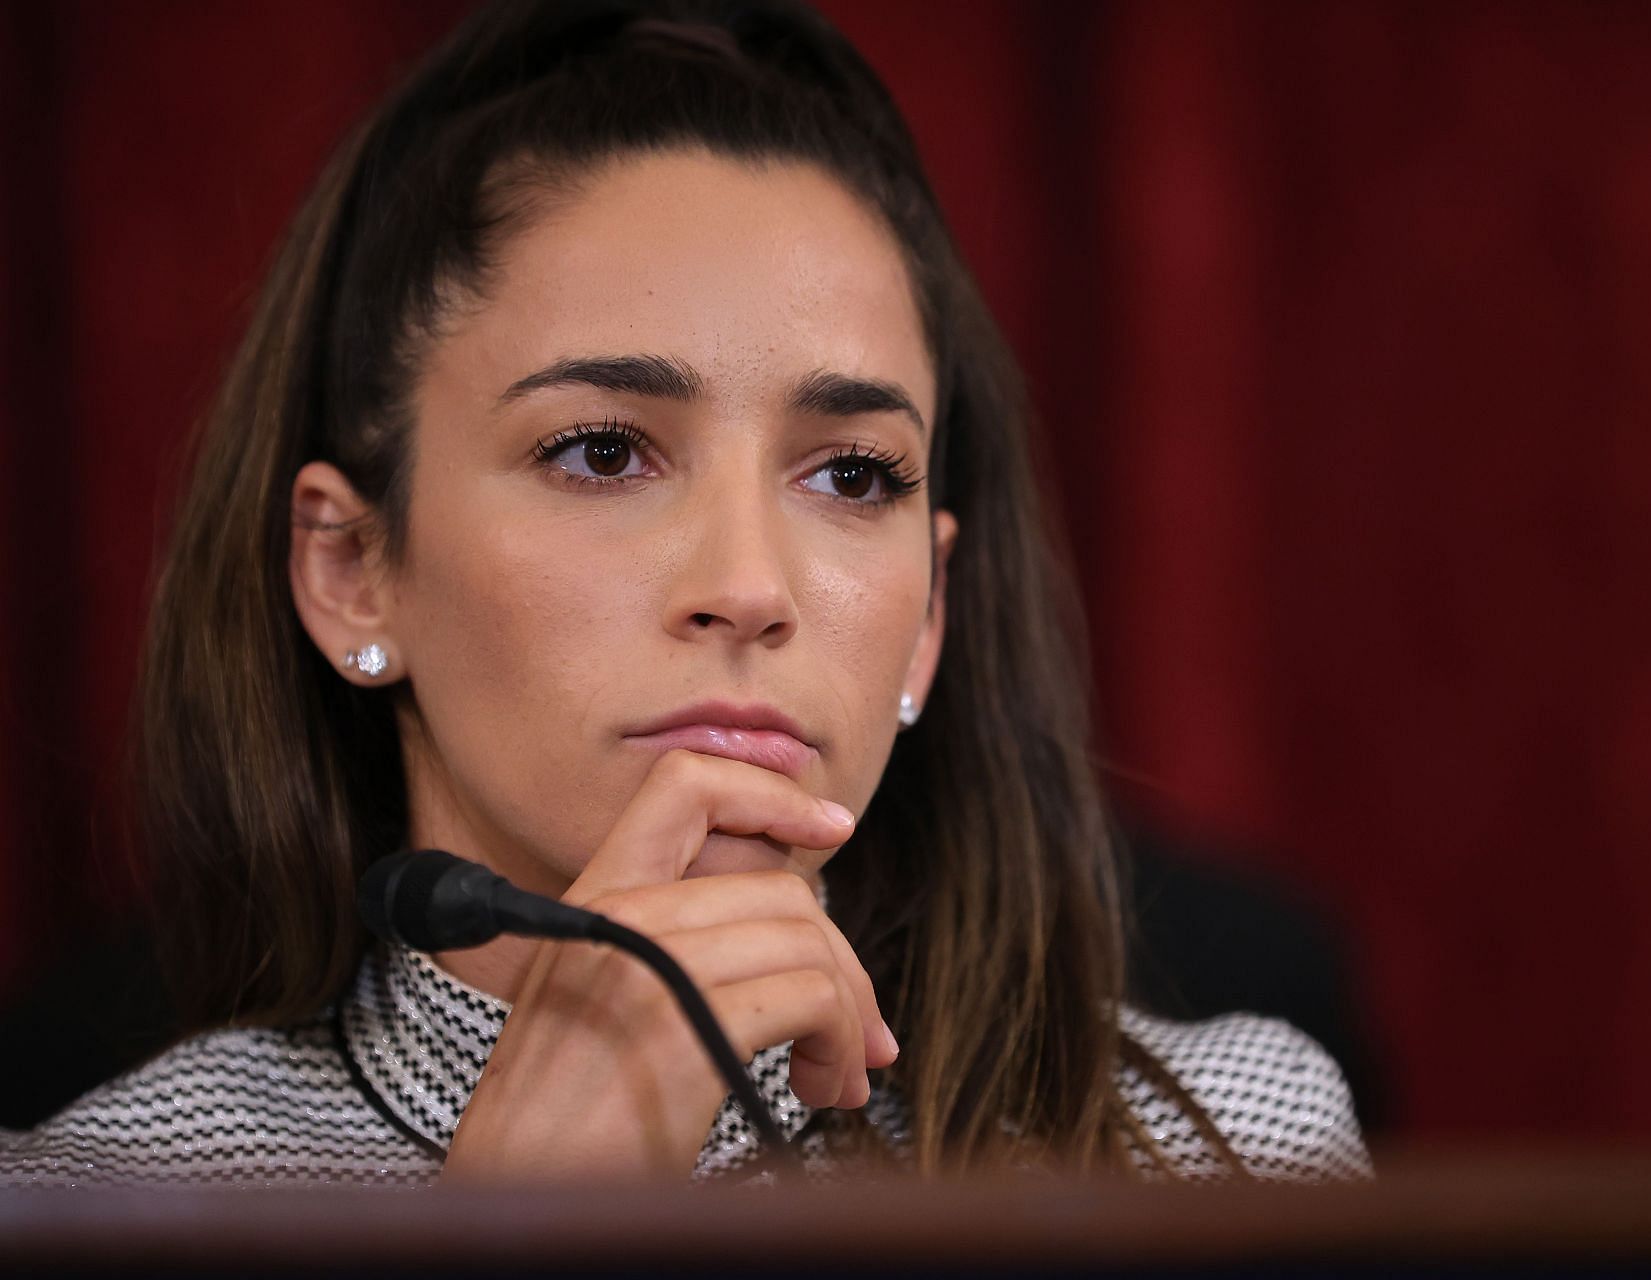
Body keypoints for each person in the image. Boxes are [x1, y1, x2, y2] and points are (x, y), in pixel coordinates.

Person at [0, 0, 1367, 1187]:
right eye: (603, 451)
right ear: (353, 572)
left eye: (851, 474)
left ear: (932, 615)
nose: (748, 587)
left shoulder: (1227, 1143)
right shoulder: (97, 1203)